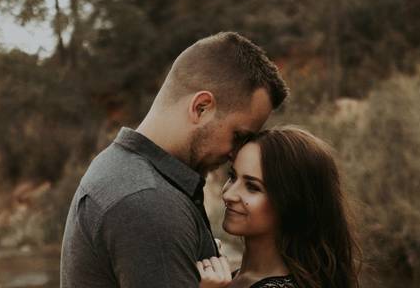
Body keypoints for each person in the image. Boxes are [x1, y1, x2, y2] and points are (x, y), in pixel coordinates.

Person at [60, 31, 290, 288]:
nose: (235, 153)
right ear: (201, 107)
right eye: (238, 136)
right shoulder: (149, 202)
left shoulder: (120, 168)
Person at [196, 126, 362, 288]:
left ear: (290, 202)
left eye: (252, 187)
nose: (228, 195)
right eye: (232, 176)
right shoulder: (234, 277)